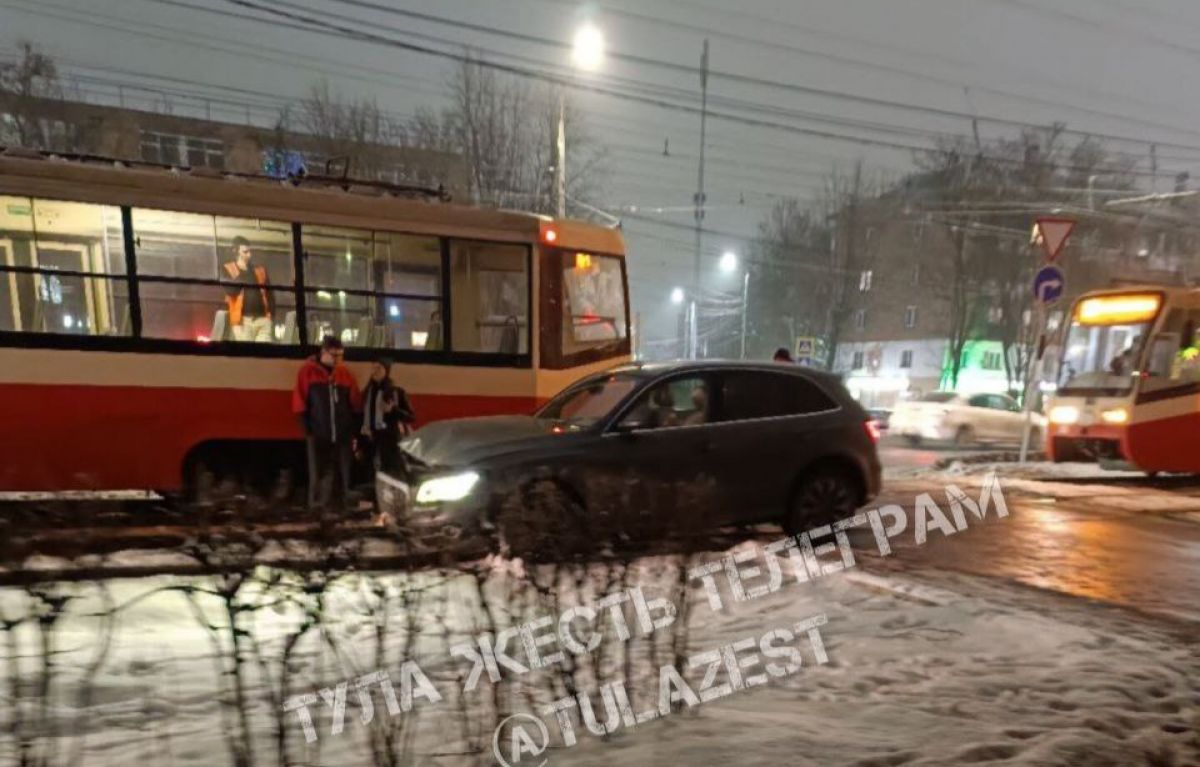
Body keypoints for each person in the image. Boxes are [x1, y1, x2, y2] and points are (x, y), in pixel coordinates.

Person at [292, 336, 362, 508]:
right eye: (334, 355)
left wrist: (353, 430)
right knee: (318, 474)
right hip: (318, 434)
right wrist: (308, 430)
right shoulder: (307, 372)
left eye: (341, 355)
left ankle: (339, 508)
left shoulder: (345, 374)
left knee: (342, 474)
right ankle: (317, 509)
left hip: (342, 434)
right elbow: (299, 403)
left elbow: (356, 404)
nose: (338, 359)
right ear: (323, 352)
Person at [360, 357, 416, 474]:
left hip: (390, 442)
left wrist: (393, 410)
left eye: (379, 368)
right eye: (373, 368)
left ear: (386, 371)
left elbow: (411, 417)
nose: (374, 371)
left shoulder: (396, 392)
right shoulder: (367, 392)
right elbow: (361, 415)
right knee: (369, 474)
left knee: (391, 472)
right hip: (370, 441)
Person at [222, 236, 274, 343]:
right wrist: (241, 270)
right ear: (236, 252)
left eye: (250, 251)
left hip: (263, 320)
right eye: (245, 252)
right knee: (248, 356)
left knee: (265, 356)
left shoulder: (259, 270)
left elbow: (270, 293)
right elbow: (231, 291)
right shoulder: (228, 269)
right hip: (243, 322)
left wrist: (270, 316)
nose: (249, 255)